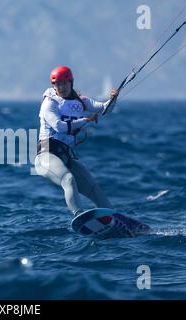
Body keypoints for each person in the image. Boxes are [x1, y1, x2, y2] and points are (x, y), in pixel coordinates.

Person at [34, 66, 119, 217]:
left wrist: (113, 98)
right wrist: (85, 120)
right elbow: (59, 127)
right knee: (68, 179)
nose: (62, 87)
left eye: (65, 83)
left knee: (94, 188)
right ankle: (80, 216)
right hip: (46, 155)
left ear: (71, 83)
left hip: (66, 156)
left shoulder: (80, 101)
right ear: (53, 86)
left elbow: (105, 109)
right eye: (58, 84)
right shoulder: (50, 103)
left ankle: (113, 218)